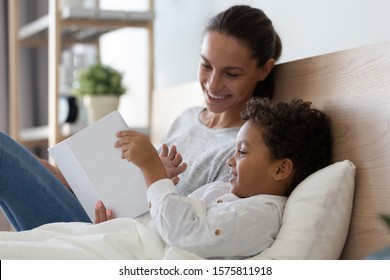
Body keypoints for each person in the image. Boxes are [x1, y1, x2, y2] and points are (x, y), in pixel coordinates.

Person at [0, 5, 282, 231]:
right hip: (108, 214)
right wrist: (71, 178)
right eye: (206, 66)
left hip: (126, 232)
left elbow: (194, 227)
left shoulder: (241, 149)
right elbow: (139, 184)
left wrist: (117, 227)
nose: (212, 84)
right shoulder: (187, 118)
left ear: (264, 69)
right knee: (33, 164)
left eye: (231, 74)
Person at [94, 97, 333, 258]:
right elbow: (164, 224)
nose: (230, 160)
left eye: (242, 152)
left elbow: (184, 235)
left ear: (280, 170)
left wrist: (152, 169)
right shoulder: (221, 190)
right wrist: (118, 228)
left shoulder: (261, 216)